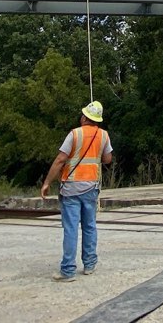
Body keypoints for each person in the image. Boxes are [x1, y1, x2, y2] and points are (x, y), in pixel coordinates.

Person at [41, 100, 114, 281]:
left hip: (71, 188)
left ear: (84, 117)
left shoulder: (74, 134)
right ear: (97, 119)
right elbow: (107, 159)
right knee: (89, 226)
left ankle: (68, 271)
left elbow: (60, 160)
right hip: (91, 187)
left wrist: (47, 182)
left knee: (71, 229)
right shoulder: (104, 135)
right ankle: (89, 265)